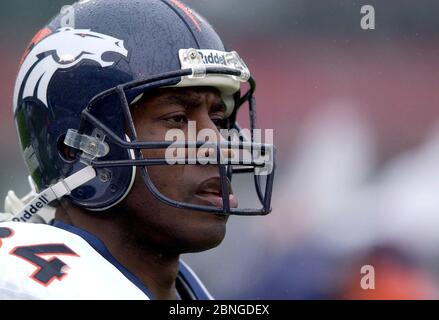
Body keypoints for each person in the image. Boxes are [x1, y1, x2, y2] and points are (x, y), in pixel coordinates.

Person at [0, 0, 276, 300]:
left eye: (219, 121)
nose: (217, 144)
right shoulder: (20, 286)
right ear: (74, 150)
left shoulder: (185, 288)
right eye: (177, 119)